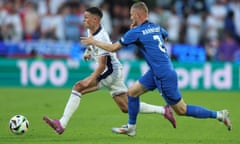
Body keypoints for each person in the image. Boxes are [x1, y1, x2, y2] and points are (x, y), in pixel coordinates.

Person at [80, 2, 232, 137]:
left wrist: (94, 41)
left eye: (132, 16)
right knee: (132, 92)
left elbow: (113, 48)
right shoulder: (156, 26)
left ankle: (219, 115)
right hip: (157, 70)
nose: (130, 19)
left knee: (181, 110)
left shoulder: (135, 32)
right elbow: (164, 36)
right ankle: (131, 128)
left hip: (162, 75)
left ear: (138, 15)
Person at [43, 7, 176, 135]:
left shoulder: (101, 37)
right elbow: (93, 44)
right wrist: (88, 52)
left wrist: (91, 78)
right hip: (114, 70)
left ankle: (61, 124)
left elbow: (102, 65)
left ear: (95, 20)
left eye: (86, 17)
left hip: (110, 72)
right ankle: (164, 110)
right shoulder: (92, 31)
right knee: (125, 107)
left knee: (78, 87)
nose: (83, 20)